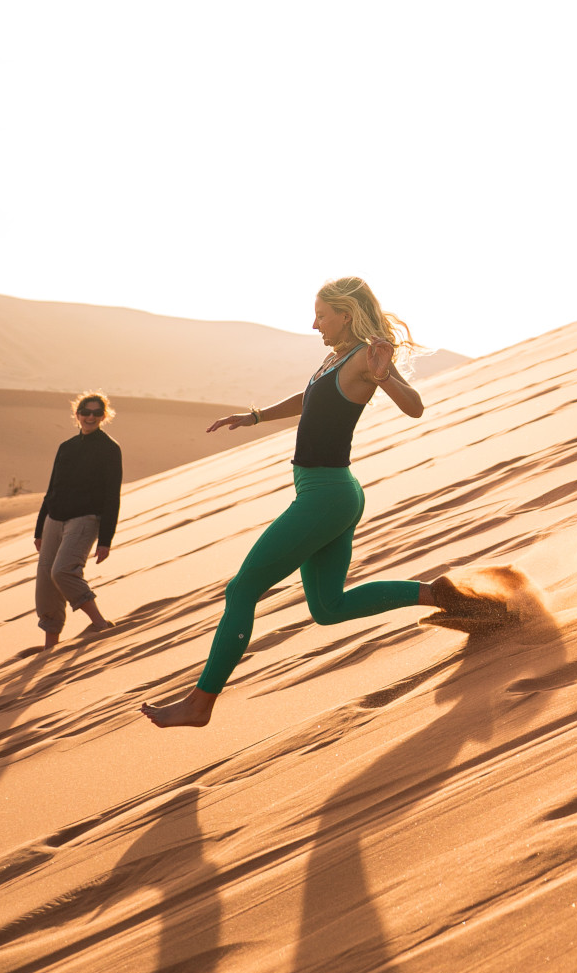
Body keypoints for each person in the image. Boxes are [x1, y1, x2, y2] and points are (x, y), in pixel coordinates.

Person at [141, 278, 505, 727]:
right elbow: (310, 398)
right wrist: (255, 416)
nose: (314, 324)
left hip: (326, 496)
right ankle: (456, 600)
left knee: (241, 590)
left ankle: (200, 704)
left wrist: (385, 375)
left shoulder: (364, 359)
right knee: (328, 608)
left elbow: (414, 407)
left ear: (345, 314)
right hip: (331, 492)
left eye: (321, 315)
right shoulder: (335, 358)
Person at [33, 392, 121, 648]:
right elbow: (52, 491)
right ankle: (50, 646)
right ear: (77, 414)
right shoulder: (66, 447)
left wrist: (105, 540)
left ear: (104, 416)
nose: (90, 416)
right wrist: (39, 530)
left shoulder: (109, 449)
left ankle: (100, 624)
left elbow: (111, 496)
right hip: (54, 519)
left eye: (96, 413)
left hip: (85, 519)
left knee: (63, 572)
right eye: (86, 411)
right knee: (45, 584)